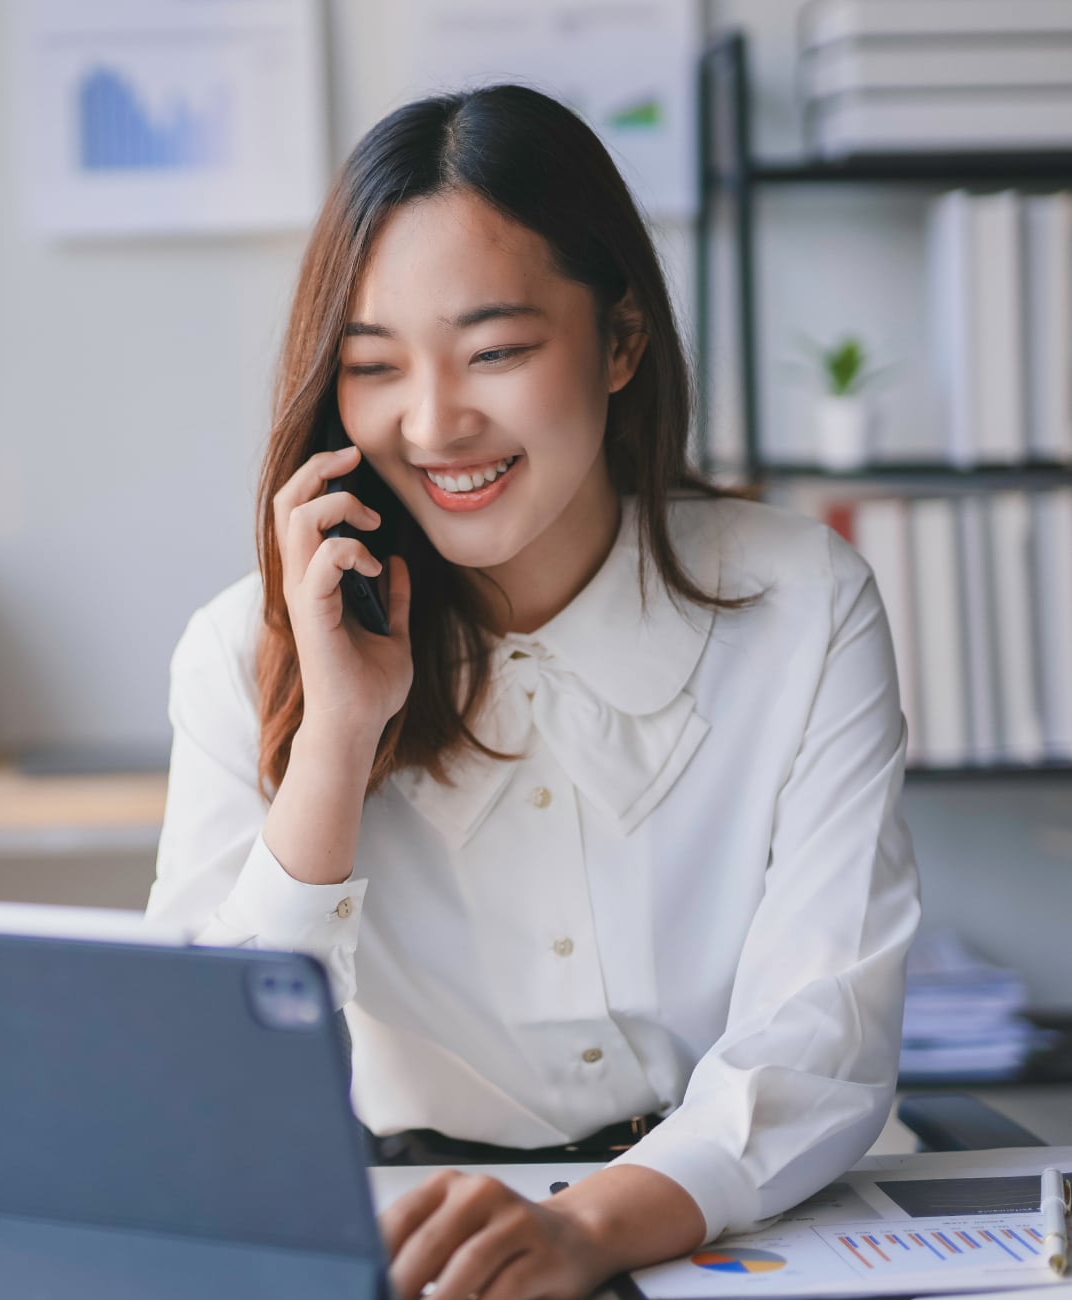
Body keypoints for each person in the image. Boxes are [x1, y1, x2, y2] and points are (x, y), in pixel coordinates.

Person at [147, 83, 920, 1300]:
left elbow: (821, 1031)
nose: (436, 421)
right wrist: (337, 741)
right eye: (372, 366)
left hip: (741, 1217)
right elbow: (200, 1086)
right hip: (415, 1239)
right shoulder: (240, 645)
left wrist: (588, 1228)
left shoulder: (803, 601)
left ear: (620, 342)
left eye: (497, 351)